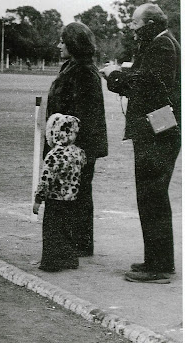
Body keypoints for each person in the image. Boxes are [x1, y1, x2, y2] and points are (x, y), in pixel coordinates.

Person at [100, 3, 180, 283]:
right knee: (151, 196)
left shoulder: (162, 47)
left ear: (150, 24)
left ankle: (157, 267)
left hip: (158, 133)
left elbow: (146, 84)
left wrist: (114, 76)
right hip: (157, 130)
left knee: (152, 196)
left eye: (135, 24)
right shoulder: (162, 44)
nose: (131, 30)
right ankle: (158, 261)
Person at [44, 22, 108, 257]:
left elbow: (82, 115)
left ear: (73, 43)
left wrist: (68, 148)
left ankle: (77, 243)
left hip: (78, 145)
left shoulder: (84, 71)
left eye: (62, 41)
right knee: (79, 192)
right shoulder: (72, 66)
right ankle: (80, 242)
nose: (58, 45)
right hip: (72, 143)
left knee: (76, 192)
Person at [33, 113, 87, 272]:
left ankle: (50, 262)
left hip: (55, 199)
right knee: (67, 230)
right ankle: (70, 258)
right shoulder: (78, 153)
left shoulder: (53, 155)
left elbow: (46, 179)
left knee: (51, 231)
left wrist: (38, 198)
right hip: (71, 199)